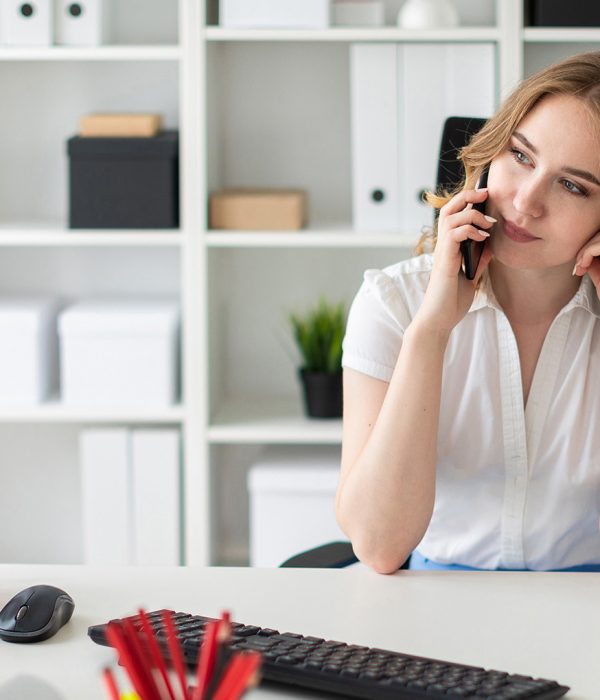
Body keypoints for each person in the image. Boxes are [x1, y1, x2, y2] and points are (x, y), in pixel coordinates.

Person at [337, 51, 600, 574]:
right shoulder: (394, 303)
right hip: (435, 606)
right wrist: (431, 330)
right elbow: (380, 547)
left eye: (573, 186)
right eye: (521, 157)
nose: (525, 202)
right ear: (489, 152)